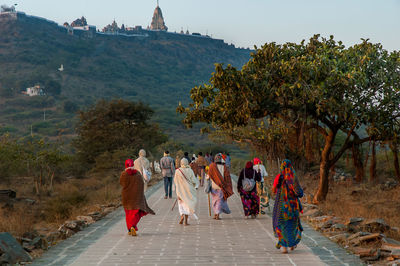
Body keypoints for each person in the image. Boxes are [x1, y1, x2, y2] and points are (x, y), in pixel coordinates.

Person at [272, 159, 304, 254]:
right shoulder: (293, 177)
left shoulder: (279, 177)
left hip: (281, 205)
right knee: (292, 225)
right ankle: (292, 243)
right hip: (293, 206)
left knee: (281, 224)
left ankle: (284, 246)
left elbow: (274, 190)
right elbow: (299, 192)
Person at [120, 159, 155, 236]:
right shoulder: (138, 174)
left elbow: (122, 183)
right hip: (136, 197)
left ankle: (130, 229)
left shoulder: (124, 174)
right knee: (136, 213)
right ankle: (133, 226)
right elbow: (141, 184)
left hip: (127, 197)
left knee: (128, 213)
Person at [206, 153, 233, 220]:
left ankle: (216, 214)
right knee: (219, 200)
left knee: (214, 200)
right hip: (221, 186)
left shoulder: (211, 166)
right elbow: (227, 177)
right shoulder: (224, 167)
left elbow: (208, 176)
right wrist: (227, 186)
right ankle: (217, 214)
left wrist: (207, 181)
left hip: (213, 186)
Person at [174, 158, 199, 225]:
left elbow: (175, 181)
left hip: (180, 190)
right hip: (188, 190)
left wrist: (176, 189)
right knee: (187, 204)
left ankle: (182, 216)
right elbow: (194, 180)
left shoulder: (177, 171)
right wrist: (195, 186)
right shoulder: (190, 170)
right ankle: (186, 221)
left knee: (181, 204)